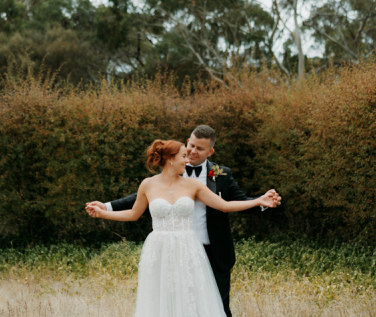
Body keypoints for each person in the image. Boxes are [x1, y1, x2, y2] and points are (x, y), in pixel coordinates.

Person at [86, 125, 282, 316]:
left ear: (210, 152)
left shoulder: (219, 175)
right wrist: (106, 208)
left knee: (214, 306)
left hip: (207, 249)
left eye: (199, 149)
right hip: (164, 251)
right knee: (166, 302)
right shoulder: (151, 183)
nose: (191, 154)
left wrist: (259, 201)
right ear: (174, 156)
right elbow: (136, 205)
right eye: (190, 148)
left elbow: (227, 204)